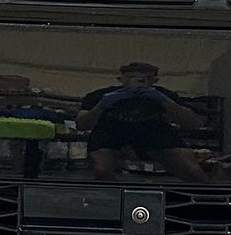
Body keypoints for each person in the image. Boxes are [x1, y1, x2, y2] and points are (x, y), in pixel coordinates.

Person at [75, 62, 209, 178]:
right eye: (133, 78)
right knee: (102, 169)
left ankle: (206, 195)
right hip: (111, 131)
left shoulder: (164, 95)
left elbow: (194, 123)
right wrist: (101, 105)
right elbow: (81, 124)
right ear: (120, 79)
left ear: (155, 80)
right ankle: (112, 196)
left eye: (146, 78)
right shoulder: (100, 95)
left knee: (191, 170)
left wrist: (164, 101)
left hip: (153, 131)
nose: (140, 82)